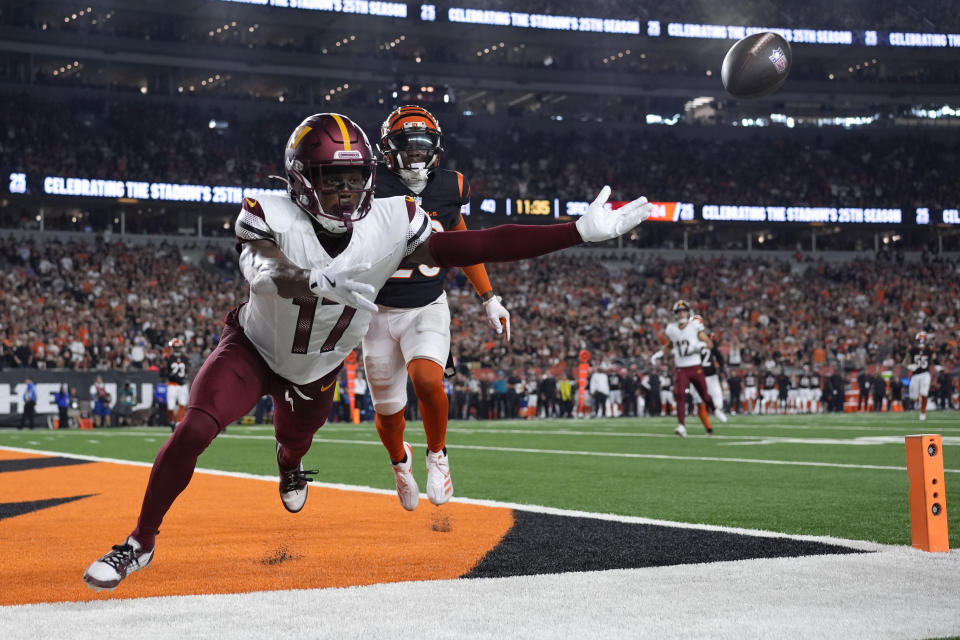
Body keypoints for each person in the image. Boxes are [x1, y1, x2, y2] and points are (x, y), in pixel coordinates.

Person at [82, 111, 653, 592]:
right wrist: (310, 281)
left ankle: (291, 469)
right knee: (196, 428)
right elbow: (263, 268)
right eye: (333, 179)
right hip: (254, 348)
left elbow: (473, 243)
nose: (347, 191)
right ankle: (139, 542)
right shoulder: (269, 212)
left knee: (293, 443)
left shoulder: (394, 216)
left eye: (356, 179)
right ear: (302, 179)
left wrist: (574, 231)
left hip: (322, 363)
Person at [363, 106, 510, 510]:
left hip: (427, 302)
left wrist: (488, 296)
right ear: (388, 149)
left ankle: (437, 455)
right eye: (407, 148)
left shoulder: (450, 187)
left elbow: (462, 240)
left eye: (422, 148)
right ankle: (399, 462)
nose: (415, 156)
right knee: (388, 410)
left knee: (428, 380)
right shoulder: (368, 184)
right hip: (375, 312)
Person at [652, 301, 726, 437]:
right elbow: (670, 345)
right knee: (680, 395)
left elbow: (709, 344)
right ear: (675, 314)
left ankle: (715, 410)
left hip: (695, 366)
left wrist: (699, 346)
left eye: (683, 311)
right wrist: (660, 354)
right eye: (679, 312)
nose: (681, 314)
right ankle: (681, 425)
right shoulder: (671, 329)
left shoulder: (695, 326)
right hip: (681, 368)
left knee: (704, 395)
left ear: (688, 312)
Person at [903, 331, 934, 421]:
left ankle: (923, 412)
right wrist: (908, 366)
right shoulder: (912, 350)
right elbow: (904, 362)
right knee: (913, 396)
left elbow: (934, 360)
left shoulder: (929, 350)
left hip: (925, 374)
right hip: (915, 375)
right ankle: (918, 403)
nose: (920, 342)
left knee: (924, 393)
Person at [165, 338, 190, 431]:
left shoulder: (185, 358)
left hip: (182, 385)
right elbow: (167, 372)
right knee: (170, 407)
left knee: (182, 404)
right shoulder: (169, 358)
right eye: (175, 347)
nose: (177, 349)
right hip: (173, 384)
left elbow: (187, 370)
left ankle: (178, 423)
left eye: (179, 347)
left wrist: (185, 378)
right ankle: (171, 421)